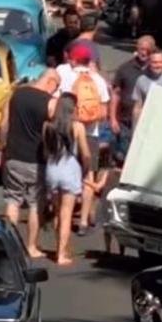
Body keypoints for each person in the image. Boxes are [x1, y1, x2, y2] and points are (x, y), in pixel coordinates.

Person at [0, 69, 59, 259]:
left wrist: (2, 147)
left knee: (12, 201)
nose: (54, 91)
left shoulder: (17, 94)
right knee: (35, 204)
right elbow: (54, 132)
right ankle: (31, 246)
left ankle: (9, 245)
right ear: (50, 81)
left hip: (13, 156)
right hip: (36, 159)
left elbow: (4, 125)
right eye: (55, 87)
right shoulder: (49, 103)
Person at [57, 42, 110, 235]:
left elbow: (58, 105)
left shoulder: (66, 77)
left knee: (66, 173)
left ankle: (63, 215)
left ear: (74, 59)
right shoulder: (98, 80)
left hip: (68, 133)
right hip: (91, 135)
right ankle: (84, 222)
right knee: (89, 177)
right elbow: (103, 113)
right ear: (89, 61)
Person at [42, 92, 90, 267]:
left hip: (52, 169)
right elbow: (85, 153)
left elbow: (45, 150)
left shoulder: (47, 125)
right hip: (70, 170)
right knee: (66, 214)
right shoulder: (77, 127)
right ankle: (61, 254)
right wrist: (85, 170)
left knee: (57, 212)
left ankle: (59, 248)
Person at [109, 35, 156, 161]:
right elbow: (115, 94)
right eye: (141, 49)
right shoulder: (125, 69)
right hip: (126, 121)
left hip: (149, 121)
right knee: (125, 157)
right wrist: (113, 118)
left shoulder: (156, 69)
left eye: (147, 50)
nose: (144, 52)